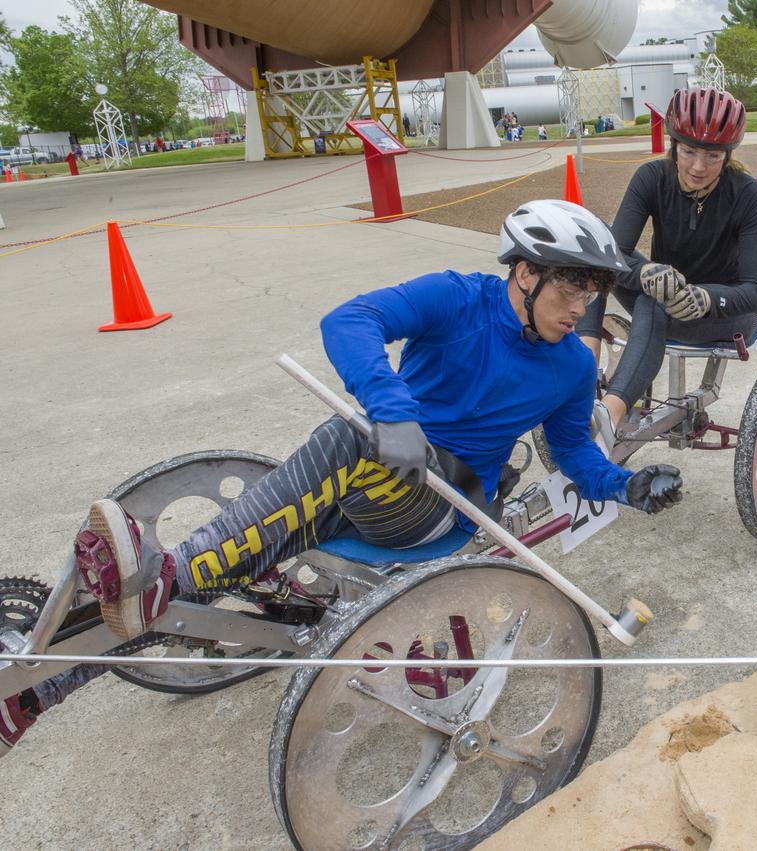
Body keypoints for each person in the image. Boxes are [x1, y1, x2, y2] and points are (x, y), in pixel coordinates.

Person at [0, 200, 685, 756]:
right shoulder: (456, 298)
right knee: (239, 553)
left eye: (593, 293)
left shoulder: (567, 367)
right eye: (572, 286)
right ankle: (36, 688)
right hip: (368, 478)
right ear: (526, 272)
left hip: (437, 507)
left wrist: (625, 485)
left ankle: (166, 572)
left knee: (341, 441)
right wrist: (393, 412)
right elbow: (351, 318)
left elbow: (573, 455)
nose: (580, 310)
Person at [575, 87, 757, 441]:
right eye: (689, 151)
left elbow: (756, 291)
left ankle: (608, 417)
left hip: (723, 310)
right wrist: (642, 272)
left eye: (712, 156)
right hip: (660, 288)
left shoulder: (749, 195)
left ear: (728, 155)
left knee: (654, 301)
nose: (698, 166)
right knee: (596, 242)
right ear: (673, 145)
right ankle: (583, 369)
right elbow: (614, 253)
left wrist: (704, 297)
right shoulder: (652, 177)